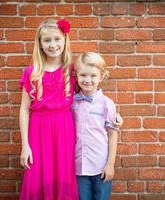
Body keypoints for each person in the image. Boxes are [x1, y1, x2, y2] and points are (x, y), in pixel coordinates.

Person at [19, 18, 78, 200]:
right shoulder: (32, 72)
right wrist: (25, 145)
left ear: (65, 40)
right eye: (47, 40)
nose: (53, 45)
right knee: (37, 175)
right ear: (40, 44)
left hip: (64, 130)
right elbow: (23, 110)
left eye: (57, 39)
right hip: (38, 131)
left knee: (62, 174)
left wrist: (112, 114)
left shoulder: (72, 70)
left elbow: (90, 95)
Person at [72, 52, 119, 200]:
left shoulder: (107, 103)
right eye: (83, 75)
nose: (87, 80)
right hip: (78, 165)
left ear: (101, 77)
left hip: (101, 165)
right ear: (76, 75)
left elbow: (112, 134)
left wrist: (110, 164)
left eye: (93, 76)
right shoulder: (71, 103)